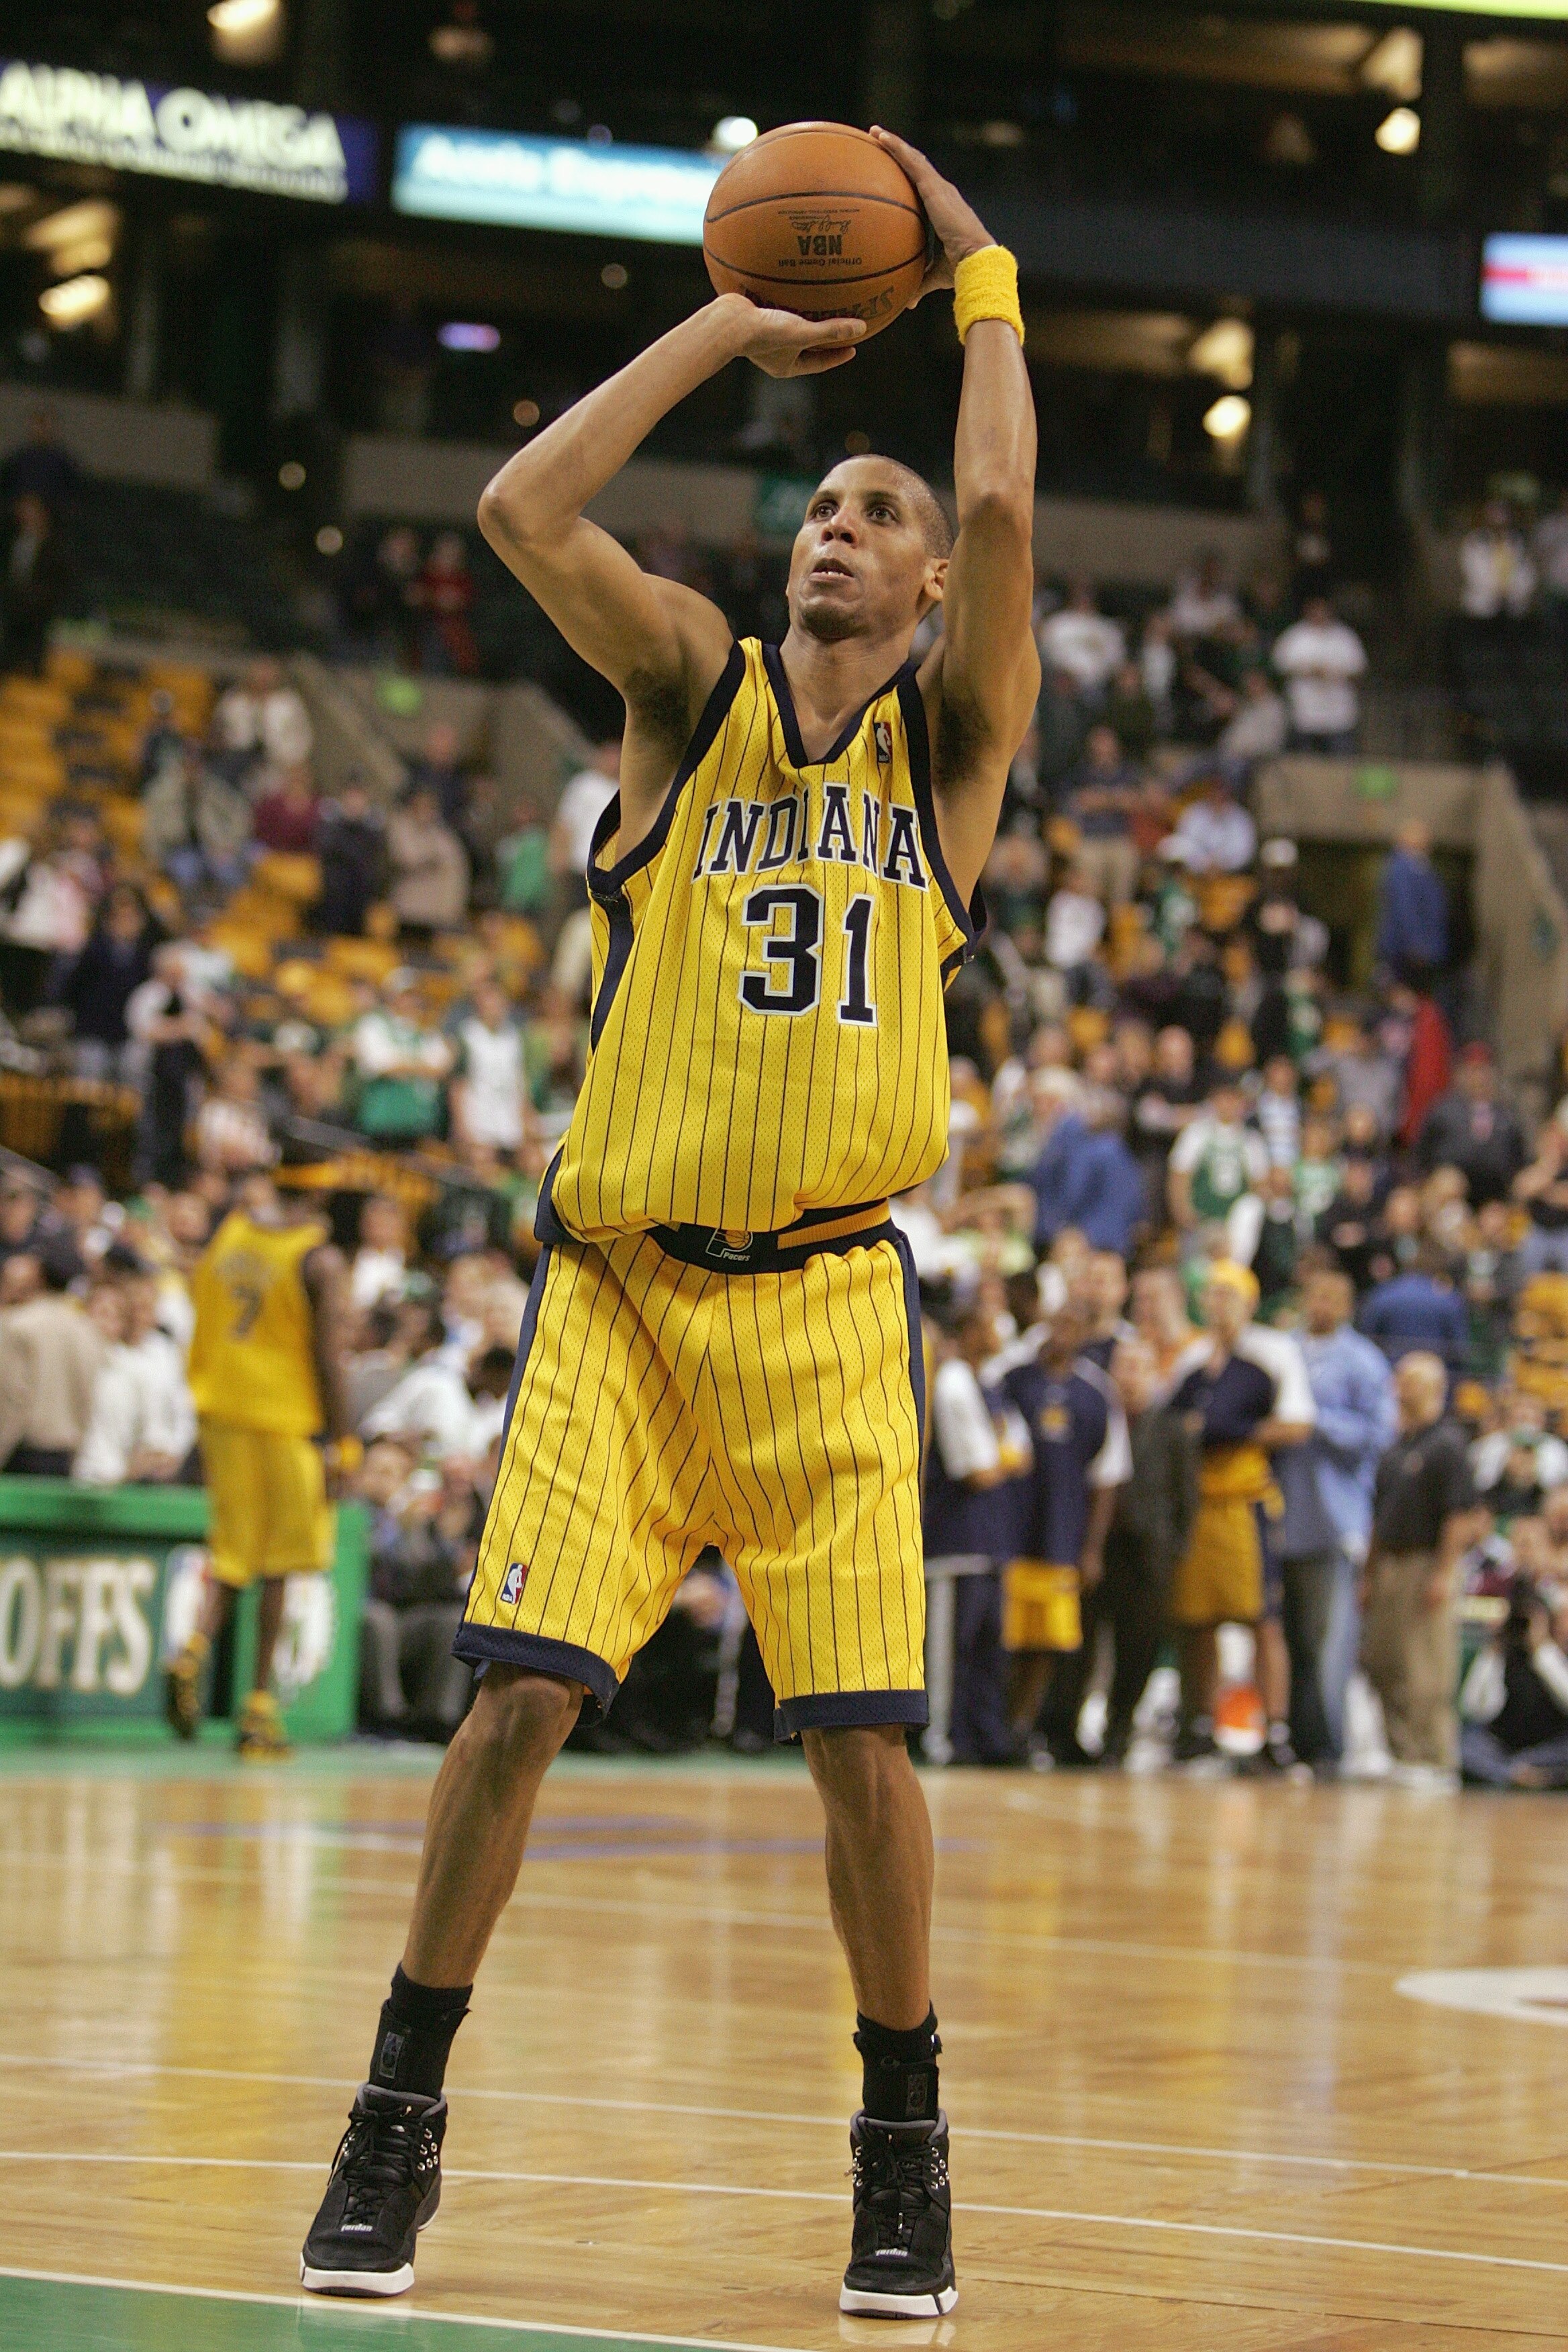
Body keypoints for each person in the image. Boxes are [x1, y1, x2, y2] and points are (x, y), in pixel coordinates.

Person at [299, 131, 1040, 2317]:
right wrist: (733, 320)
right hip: (621, 1298)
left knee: (860, 1750)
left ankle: (899, 2128)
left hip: (824, 1314)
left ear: (920, 599)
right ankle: (394, 2112)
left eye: (875, 518)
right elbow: (520, 511)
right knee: (511, 1706)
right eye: (824, 502)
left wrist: (975, 268)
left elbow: (1002, 501)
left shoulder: (954, 749)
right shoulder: (679, 692)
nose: (844, 524)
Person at [167, 1173, 350, 1759]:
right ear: (322, 1195)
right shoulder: (318, 1259)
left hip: (221, 1410)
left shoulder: (233, 1234)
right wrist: (344, 1442)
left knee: (231, 1553)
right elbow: (329, 1356)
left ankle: (194, 1648)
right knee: (280, 1565)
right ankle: (257, 1713)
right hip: (285, 1419)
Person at [1166, 1261, 1315, 1771]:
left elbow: (1296, 1424)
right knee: (1196, 1618)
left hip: (1244, 1500)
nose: (1218, 1303)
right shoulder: (1192, 1358)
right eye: (1211, 1294)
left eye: (1228, 1294)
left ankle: (1274, 1730)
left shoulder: (1272, 1354)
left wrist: (1236, 1432)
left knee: (1262, 1618)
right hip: (1199, 1502)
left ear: (1249, 1302)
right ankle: (1201, 1723)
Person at [1046, 1333, 1197, 1767]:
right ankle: (1066, 1732)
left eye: (1138, 1367)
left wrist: (1173, 1550)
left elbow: (1187, 1498)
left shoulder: (1173, 1428)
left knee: (1138, 1649)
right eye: (1122, 1366)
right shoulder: (1096, 1417)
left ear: (1155, 1374)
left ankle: (1119, 1731)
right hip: (1098, 1551)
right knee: (1081, 1645)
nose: (1128, 1376)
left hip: (1149, 1556)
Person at [1273, 1267, 1397, 1770]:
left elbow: (1380, 1435)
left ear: (1347, 1305)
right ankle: (1290, 1740)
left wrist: (1317, 1421)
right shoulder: (1285, 1350)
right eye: (1314, 1293)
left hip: (1334, 1519)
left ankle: (1328, 1746)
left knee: (1329, 1642)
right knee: (1287, 1637)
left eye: (1332, 1295)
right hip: (1282, 1516)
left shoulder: (1363, 1361)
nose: (1320, 1303)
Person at [1001, 1297, 1129, 1761]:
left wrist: (1092, 1548)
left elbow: (1107, 1479)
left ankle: (1022, 1729)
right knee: (1003, 1639)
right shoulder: (1011, 1379)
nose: (1062, 1332)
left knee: (1047, 1645)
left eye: (1074, 1325)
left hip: (1060, 1538)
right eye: (1057, 1322)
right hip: (1009, 1537)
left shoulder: (1097, 1393)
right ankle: (991, 1728)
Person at [1361, 1350, 1486, 1788]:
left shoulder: (1446, 1444)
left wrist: (1442, 1572)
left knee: (1424, 1662)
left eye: (1411, 1378)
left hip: (1426, 1561)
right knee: (1384, 1659)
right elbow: (1377, 1516)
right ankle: (1399, 1750)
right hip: (1390, 1562)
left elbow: (1460, 1515)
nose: (1400, 1384)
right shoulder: (1396, 1447)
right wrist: (1369, 1572)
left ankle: (1433, 1756)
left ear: (1435, 1387)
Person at [921, 1300, 1029, 1767]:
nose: (999, 1329)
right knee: (951, 1650)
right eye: (989, 1322)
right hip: (956, 1543)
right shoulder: (953, 1382)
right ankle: (943, 1739)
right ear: (967, 1330)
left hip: (989, 1541)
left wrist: (1000, 1458)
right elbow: (977, 1470)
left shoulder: (989, 1385)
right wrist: (1002, 1457)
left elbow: (1021, 1455)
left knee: (987, 1650)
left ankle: (983, 1737)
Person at [0, 1242, 106, 1474]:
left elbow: (13, 1395)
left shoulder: (18, 1324)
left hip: (24, 1449)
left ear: (38, 1276)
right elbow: (90, 1390)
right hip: (67, 1451)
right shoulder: (86, 1328)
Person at [1459, 1571, 1568, 1789]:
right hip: (1503, 1749)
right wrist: (1493, 1654)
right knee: (1464, 1744)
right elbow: (1473, 1708)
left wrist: (1542, 1650)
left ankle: (1517, 1775)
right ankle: (1517, 1776)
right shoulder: (1501, 1653)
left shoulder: (1553, 1653)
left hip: (1548, 1749)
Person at [1416, 1043, 1526, 1206]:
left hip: (1496, 1195)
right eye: (1473, 1070)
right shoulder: (1444, 1111)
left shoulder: (1507, 1115)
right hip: (1452, 1194)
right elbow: (1422, 1155)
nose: (1480, 1077)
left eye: (1485, 1070)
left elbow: (1518, 1158)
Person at [1269, 597, 1367, 755]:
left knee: (1340, 761)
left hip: (1338, 712)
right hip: (1305, 711)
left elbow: (1358, 669)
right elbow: (1279, 666)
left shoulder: (1345, 637)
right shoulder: (1295, 636)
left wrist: (1333, 673)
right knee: (1304, 760)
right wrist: (1307, 671)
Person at [387, 785, 469, 940]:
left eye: (430, 806)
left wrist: (452, 910)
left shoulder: (442, 834)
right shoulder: (400, 826)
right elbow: (407, 858)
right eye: (422, 804)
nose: (427, 810)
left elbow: (454, 868)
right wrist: (431, 858)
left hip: (435, 915)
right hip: (407, 911)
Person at [550, 739, 622, 912]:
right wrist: (558, 856)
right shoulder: (584, 784)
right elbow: (566, 823)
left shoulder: (620, 789)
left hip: (607, 870)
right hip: (580, 866)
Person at [1, 492, 68, 677]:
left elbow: (58, 580)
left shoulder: (53, 545)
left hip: (38, 614)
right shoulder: (11, 539)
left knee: (33, 663)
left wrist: (40, 601)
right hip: (12, 611)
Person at [1375, 820, 1449, 985]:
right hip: (1407, 951)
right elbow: (1405, 908)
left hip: (1420, 949)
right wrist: (1417, 946)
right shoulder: (1402, 869)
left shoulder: (1420, 867)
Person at [315, 778, 387, 937]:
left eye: (359, 796)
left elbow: (373, 858)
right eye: (351, 795)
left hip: (361, 898)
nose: (355, 801)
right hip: (333, 896)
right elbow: (328, 848)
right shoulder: (330, 822)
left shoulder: (373, 827)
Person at [1171, 769, 1256, 875]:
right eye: (1214, 789)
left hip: (1231, 877)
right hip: (1196, 875)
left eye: (1221, 790)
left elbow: (1245, 852)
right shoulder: (1193, 814)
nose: (1218, 794)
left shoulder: (1241, 818)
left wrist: (1223, 865)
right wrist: (1204, 864)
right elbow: (1183, 844)